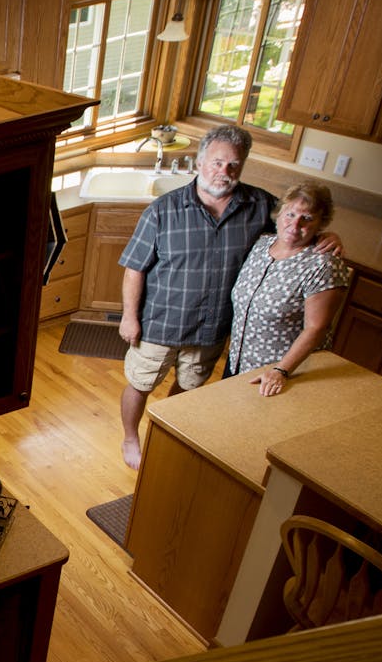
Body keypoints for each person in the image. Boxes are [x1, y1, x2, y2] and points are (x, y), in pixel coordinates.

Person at [115, 124, 340, 469]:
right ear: (200, 162)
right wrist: (130, 316)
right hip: (158, 323)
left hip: (212, 328)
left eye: (233, 164)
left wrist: (330, 236)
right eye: (217, 162)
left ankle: (166, 432)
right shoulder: (163, 210)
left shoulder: (260, 206)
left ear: (243, 165)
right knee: (139, 384)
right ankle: (131, 438)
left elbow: (294, 225)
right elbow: (135, 268)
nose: (225, 172)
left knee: (189, 390)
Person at [228, 182, 350, 397]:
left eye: (308, 218)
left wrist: (281, 371)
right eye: (290, 214)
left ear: (321, 223)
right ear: (279, 213)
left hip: (283, 376)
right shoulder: (261, 245)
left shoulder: (324, 265)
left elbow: (316, 328)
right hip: (240, 363)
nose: (295, 225)